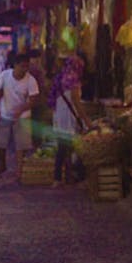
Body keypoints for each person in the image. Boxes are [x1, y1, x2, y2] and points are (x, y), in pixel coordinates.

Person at [0, 52, 40, 180]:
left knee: (21, 145)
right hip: (4, 113)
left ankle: (19, 171)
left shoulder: (31, 80)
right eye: (22, 66)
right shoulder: (5, 76)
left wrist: (22, 109)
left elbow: (33, 100)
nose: (25, 70)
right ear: (15, 65)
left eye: (26, 67)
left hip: (23, 117)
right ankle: (2, 165)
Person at [48, 55, 91, 187]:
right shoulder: (74, 80)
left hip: (59, 115)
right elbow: (76, 102)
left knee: (63, 146)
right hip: (68, 117)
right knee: (78, 146)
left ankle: (59, 178)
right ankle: (79, 176)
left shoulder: (60, 77)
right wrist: (86, 120)